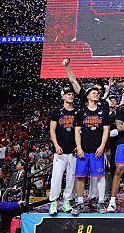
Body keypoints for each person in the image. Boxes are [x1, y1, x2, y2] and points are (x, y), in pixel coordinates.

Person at [72, 83, 110, 214]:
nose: (96, 94)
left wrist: (102, 146)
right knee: (80, 176)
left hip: (97, 150)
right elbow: (77, 131)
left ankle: (100, 202)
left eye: (97, 93)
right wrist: (79, 147)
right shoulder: (81, 112)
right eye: (93, 92)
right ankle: (80, 202)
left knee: (99, 176)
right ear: (87, 95)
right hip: (83, 150)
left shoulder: (103, 111)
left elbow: (106, 131)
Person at [48, 85, 78, 214]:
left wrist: (79, 146)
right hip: (60, 151)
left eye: (71, 94)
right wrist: (56, 145)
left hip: (73, 151)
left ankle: (67, 201)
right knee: (57, 177)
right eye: (67, 94)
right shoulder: (57, 112)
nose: (70, 96)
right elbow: (52, 130)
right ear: (63, 96)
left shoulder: (77, 112)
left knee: (71, 178)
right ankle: (53, 203)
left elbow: (80, 131)